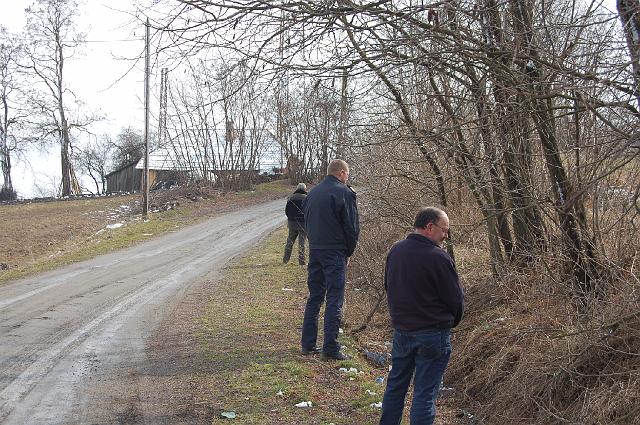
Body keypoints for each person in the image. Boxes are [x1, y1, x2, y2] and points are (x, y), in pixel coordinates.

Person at [379, 207, 464, 425]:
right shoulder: (439, 258)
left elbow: (389, 286)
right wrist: (451, 322)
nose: (446, 236)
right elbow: (455, 300)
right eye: (444, 230)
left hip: (402, 332)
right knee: (424, 395)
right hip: (433, 334)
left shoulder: (395, 251)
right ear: (429, 227)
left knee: (395, 387)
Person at [301, 159, 360, 360]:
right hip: (334, 252)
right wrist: (349, 252)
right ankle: (331, 347)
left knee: (315, 296)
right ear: (342, 173)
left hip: (316, 249)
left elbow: (306, 222)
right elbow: (351, 228)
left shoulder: (313, 193)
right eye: (347, 174)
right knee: (335, 298)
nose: (347, 178)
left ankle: (308, 344)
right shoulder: (344, 193)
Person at [283, 183, 308, 265]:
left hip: (292, 224)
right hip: (303, 224)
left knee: (289, 242)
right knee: (302, 243)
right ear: (304, 189)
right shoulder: (307, 198)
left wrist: (290, 219)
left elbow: (287, 211)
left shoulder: (290, 198)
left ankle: (285, 260)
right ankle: (302, 262)